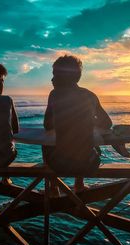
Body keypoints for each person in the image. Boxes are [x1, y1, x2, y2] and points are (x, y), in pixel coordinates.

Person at [43, 55, 112, 192]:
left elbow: (47, 125)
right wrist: (88, 121)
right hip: (89, 165)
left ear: (65, 76)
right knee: (85, 145)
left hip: (59, 165)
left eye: (55, 74)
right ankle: (79, 184)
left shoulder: (55, 95)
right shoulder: (90, 95)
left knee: (45, 144)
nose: (52, 79)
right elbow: (107, 123)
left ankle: (53, 187)